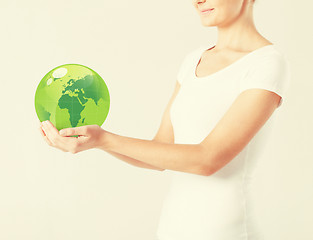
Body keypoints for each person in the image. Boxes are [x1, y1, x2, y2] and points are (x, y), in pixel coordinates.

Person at [39, 0, 291, 239]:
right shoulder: (193, 60)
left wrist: (105, 139)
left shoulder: (266, 63)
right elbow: (161, 151)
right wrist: (94, 142)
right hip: (171, 230)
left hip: (227, 234)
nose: (197, 0)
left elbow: (208, 159)